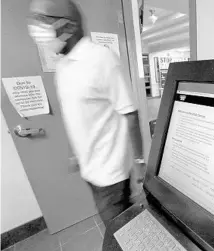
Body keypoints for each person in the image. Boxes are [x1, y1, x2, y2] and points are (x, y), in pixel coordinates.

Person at [28, 0, 145, 227]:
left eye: (45, 23)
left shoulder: (101, 59)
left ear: (69, 27)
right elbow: (75, 114)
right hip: (89, 168)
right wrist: (77, 153)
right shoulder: (62, 67)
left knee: (118, 230)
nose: (39, 32)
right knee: (124, 226)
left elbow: (129, 112)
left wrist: (139, 161)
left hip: (111, 173)